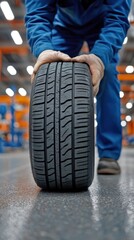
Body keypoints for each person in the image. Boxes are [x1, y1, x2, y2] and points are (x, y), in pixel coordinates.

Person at [25, 0, 131, 174]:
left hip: (103, 24)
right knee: (51, 71)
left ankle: (109, 154)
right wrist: (43, 49)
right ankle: (55, 146)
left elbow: (117, 18)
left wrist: (99, 58)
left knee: (108, 73)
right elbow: (37, 15)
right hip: (65, 26)